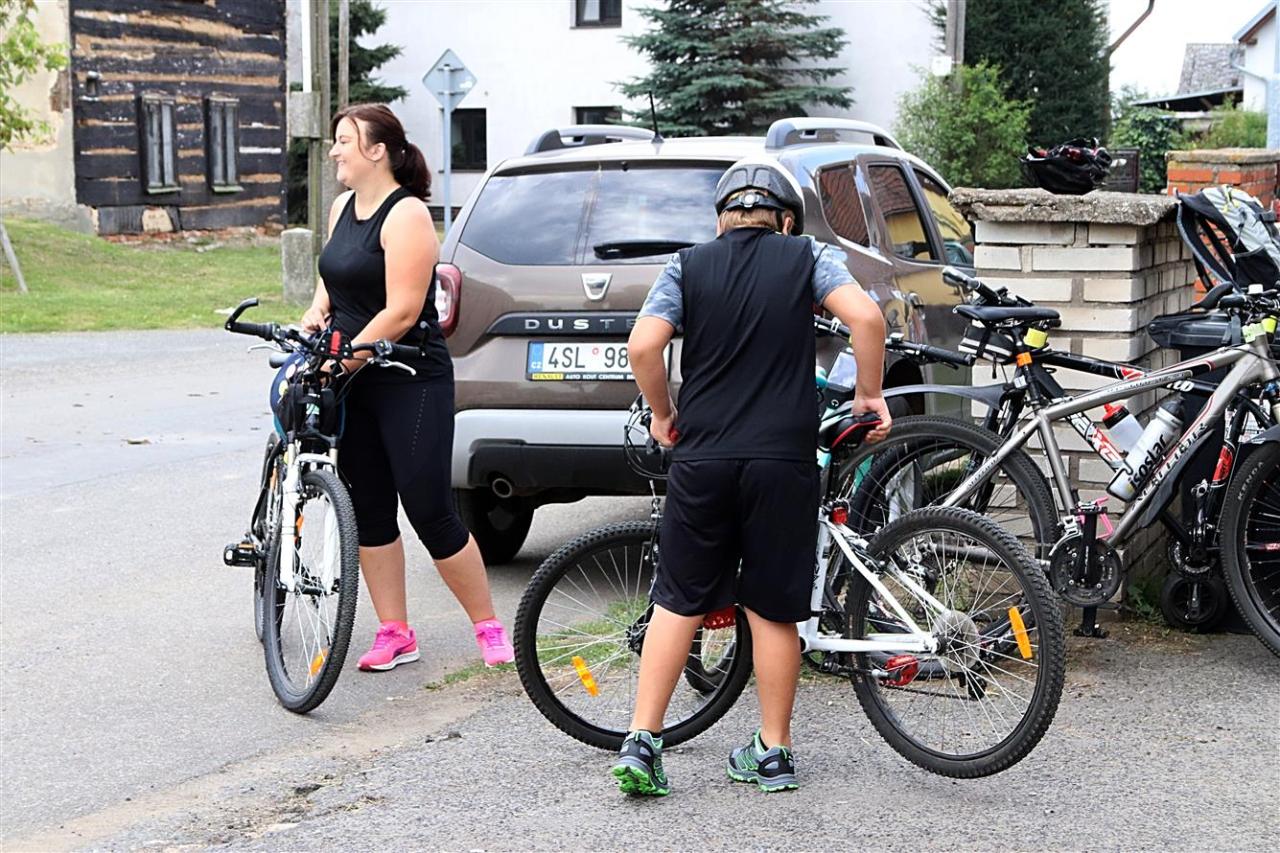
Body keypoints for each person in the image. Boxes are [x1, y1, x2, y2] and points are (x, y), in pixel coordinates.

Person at [612, 158, 891, 796]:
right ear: (786, 220)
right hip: (781, 461)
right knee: (771, 608)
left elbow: (643, 346)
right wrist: (868, 396)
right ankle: (773, 752)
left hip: (703, 457)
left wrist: (663, 413)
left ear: (721, 220)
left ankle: (642, 743)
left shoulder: (686, 266)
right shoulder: (807, 257)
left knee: (678, 599)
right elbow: (868, 319)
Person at [302, 103, 514, 671]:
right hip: (351, 375)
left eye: (344, 140)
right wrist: (317, 312)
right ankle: (395, 632)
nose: (334, 150)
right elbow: (335, 279)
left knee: (429, 509)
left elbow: (400, 311)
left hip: (408, 376)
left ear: (376, 150)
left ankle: (488, 627)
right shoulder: (342, 207)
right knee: (369, 508)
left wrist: (341, 360)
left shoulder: (407, 215)